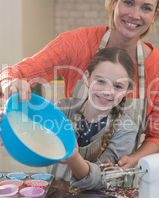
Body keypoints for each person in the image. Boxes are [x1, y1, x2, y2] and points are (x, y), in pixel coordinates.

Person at [0, 0, 159, 171]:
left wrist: (134, 159)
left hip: (117, 180)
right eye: (128, 2)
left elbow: (157, 135)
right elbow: (16, 73)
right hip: (63, 178)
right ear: (114, 1)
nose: (135, 14)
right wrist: (13, 118)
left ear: (155, 14)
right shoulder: (76, 43)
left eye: (146, 8)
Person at [52, 47, 137, 190]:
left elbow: (100, 177)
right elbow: (38, 139)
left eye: (117, 86)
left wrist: (74, 159)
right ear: (87, 78)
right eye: (100, 81)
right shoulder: (63, 110)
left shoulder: (126, 128)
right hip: (56, 194)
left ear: (127, 91)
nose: (107, 91)